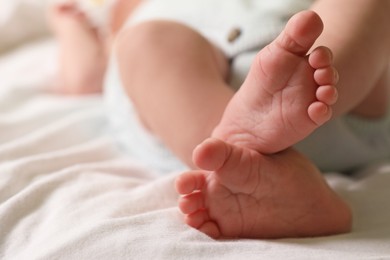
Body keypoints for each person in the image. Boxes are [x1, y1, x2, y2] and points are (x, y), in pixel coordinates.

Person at [48, 0, 390, 239]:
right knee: (144, 41)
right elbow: (83, 77)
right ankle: (250, 157)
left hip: (313, 73)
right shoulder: (118, 16)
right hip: (195, 108)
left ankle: (256, 153)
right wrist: (68, 24)